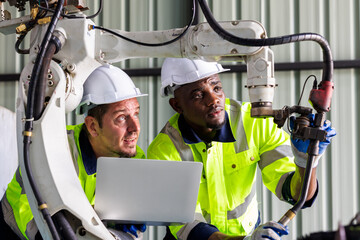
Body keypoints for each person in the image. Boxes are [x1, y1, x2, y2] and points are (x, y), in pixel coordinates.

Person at [147, 58, 336, 240]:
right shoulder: (164, 150)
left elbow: (297, 195)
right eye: (198, 95)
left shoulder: (254, 124)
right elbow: (186, 225)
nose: (213, 100)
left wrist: (306, 160)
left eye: (217, 88)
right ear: (177, 105)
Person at [0, 65, 148, 240]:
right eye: (122, 117)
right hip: (14, 229)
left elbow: (129, 228)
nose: (135, 128)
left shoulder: (134, 158)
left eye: (136, 114)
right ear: (93, 126)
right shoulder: (54, 150)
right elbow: (29, 215)